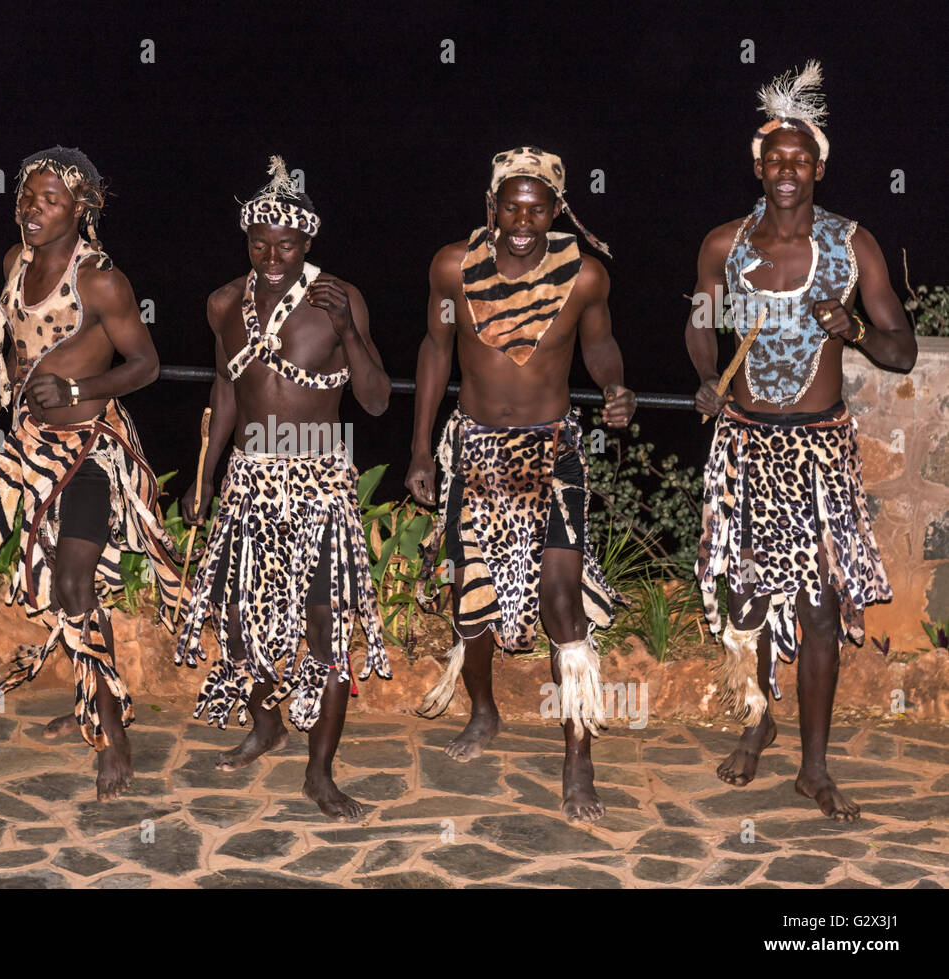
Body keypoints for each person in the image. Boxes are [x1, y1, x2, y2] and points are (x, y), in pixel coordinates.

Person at [686, 62, 915, 822]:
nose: (787, 170)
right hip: (745, 445)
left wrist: (855, 329)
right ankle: (757, 722)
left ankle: (814, 767)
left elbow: (904, 350)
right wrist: (708, 378)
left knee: (819, 608)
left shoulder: (854, 247)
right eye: (774, 159)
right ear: (759, 166)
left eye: (800, 159)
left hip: (818, 450)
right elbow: (697, 327)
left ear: (818, 166)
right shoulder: (724, 243)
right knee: (748, 598)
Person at [0, 146, 181, 802]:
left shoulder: (101, 279)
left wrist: (81, 383)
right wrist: (0, 397)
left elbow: (146, 364)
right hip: (29, 449)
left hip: (89, 449)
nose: (31, 210)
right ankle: (90, 703)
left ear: (83, 207)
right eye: (26, 198)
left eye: (48, 200)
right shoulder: (13, 265)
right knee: (57, 584)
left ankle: (113, 731)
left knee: (75, 578)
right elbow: (21, 356)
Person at [405, 147, 633, 824]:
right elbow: (435, 350)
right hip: (474, 451)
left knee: (562, 608)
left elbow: (598, 346)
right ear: (492, 205)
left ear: (558, 210)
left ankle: (578, 754)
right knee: (470, 604)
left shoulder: (584, 277)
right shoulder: (453, 266)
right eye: (513, 205)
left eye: (538, 207)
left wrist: (616, 385)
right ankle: (483, 710)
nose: (523, 219)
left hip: (553, 452)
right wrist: (420, 447)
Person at [176, 156, 392, 821]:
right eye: (260, 242)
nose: (273, 255)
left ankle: (320, 771)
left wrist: (352, 332)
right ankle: (267, 723)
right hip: (249, 479)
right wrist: (205, 476)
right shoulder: (223, 304)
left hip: (318, 481)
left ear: (308, 242)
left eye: (287, 243)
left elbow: (378, 400)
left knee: (325, 628)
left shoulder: (339, 297)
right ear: (247, 240)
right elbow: (226, 390)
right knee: (243, 623)